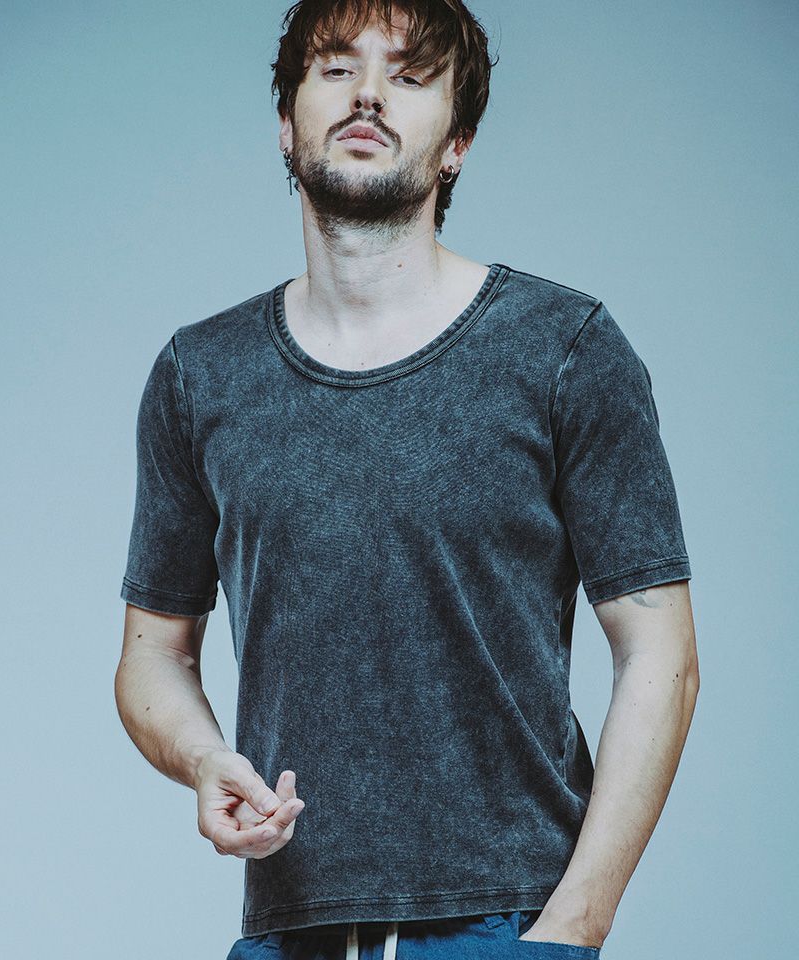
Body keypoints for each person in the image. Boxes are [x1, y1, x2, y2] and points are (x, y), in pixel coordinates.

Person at [115, 1, 700, 958]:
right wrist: (204, 758)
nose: (370, 94)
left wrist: (570, 929)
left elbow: (660, 654)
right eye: (337, 67)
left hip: (507, 921)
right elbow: (154, 653)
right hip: (290, 926)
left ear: (457, 142)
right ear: (286, 122)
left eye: (411, 74)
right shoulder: (200, 375)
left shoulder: (565, 350)